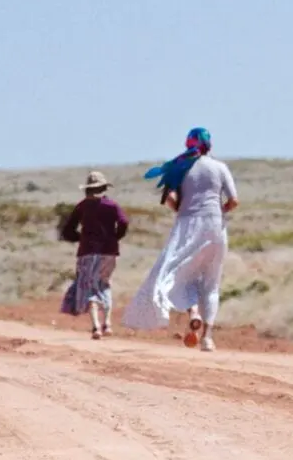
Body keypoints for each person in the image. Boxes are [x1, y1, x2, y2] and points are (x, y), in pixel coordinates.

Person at [123, 127, 239, 352]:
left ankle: (193, 312)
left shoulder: (180, 167)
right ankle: (207, 338)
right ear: (208, 145)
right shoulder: (220, 167)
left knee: (180, 275)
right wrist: (220, 211)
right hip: (215, 226)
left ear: (188, 143)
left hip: (187, 224)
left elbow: (170, 198)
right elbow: (234, 200)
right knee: (212, 283)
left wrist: (181, 208)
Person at [60, 171, 130, 340]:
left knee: (89, 286)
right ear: (104, 187)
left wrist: (80, 238)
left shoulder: (82, 206)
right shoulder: (112, 206)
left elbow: (68, 230)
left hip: (87, 252)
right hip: (109, 252)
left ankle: (96, 326)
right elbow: (124, 222)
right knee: (104, 284)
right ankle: (107, 323)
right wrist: (115, 237)